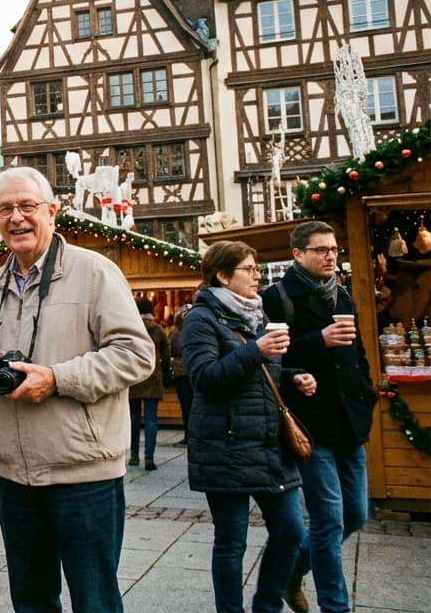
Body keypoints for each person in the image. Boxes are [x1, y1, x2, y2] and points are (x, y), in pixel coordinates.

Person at [0, 166, 155, 613]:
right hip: (16, 475)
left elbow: (136, 354)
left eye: (28, 206)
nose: (17, 218)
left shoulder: (95, 272)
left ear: (52, 211)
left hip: (83, 473)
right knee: (30, 601)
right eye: (5, 209)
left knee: (95, 601)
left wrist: (57, 379)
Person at [184, 240, 315, 613]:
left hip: (269, 441)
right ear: (223, 276)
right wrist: (257, 350)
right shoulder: (200, 318)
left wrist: (292, 378)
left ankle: (267, 604)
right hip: (225, 443)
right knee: (231, 542)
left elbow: (260, 376)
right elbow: (204, 377)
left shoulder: (257, 314)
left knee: (291, 532)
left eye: (258, 269)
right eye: (249, 269)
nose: (258, 276)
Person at [263, 221, 378, 613]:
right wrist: (319, 341)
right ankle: (336, 607)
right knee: (328, 520)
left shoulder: (342, 294)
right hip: (311, 424)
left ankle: (291, 570)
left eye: (334, 249)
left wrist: (368, 395)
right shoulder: (277, 297)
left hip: (350, 421)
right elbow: (272, 360)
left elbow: (358, 353)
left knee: (356, 515)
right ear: (298, 254)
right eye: (321, 250)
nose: (331, 256)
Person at [129, 298, 171, 471]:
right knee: (151, 419)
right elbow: (166, 355)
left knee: (133, 418)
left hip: (133, 377)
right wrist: (167, 375)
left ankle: (133, 455)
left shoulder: (131, 328)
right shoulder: (158, 329)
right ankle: (149, 457)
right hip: (153, 377)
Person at [169, 302, 194, 445]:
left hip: (181, 373)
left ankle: (188, 435)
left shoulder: (176, 334)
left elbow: (173, 350)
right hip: (192, 372)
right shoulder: (194, 332)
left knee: (186, 407)